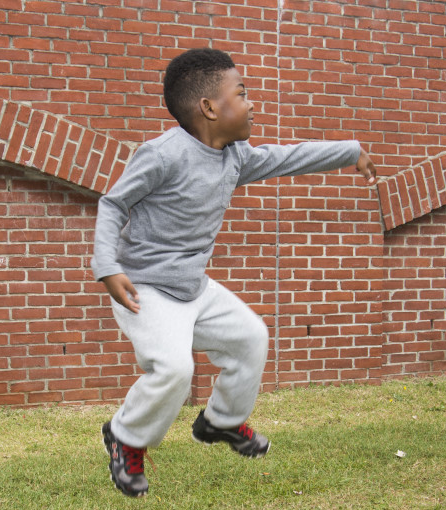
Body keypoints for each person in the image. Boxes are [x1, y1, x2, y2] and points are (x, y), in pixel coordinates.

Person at [92, 47, 377, 498]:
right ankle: (125, 437)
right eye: (241, 94)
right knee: (173, 368)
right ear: (209, 108)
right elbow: (113, 204)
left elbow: (288, 157)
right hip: (143, 287)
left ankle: (218, 422)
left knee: (251, 337)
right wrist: (107, 267)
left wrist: (350, 151)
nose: (251, 104)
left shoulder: (235, 157)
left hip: (193, 287)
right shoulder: (162, 155)